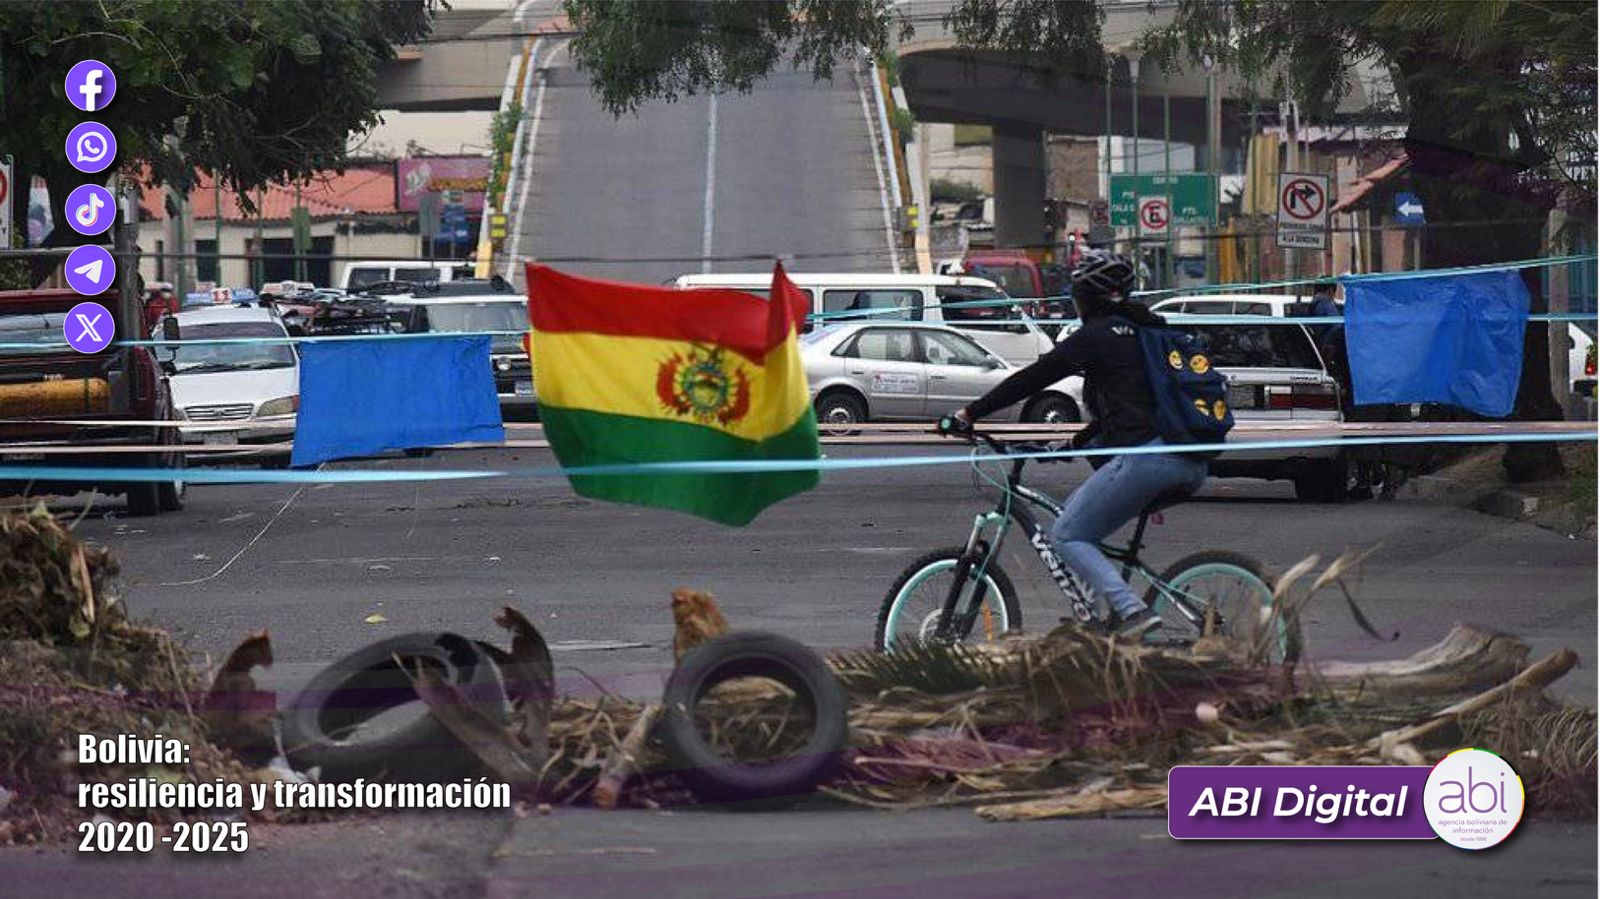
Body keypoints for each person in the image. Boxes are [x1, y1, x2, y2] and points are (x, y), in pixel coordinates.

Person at [940, 250, 1208, 638]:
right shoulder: (1146, 331)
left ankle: (1133, 612)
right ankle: (1101, 624)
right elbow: (1129, 407)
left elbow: (1035, 377)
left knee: (1068, 534)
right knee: (1087, 534)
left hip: (1148, 459)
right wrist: (1073, 443)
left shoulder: (1098, 335)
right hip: (1187, 458)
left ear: (1084, 298)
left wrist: (971, 413)